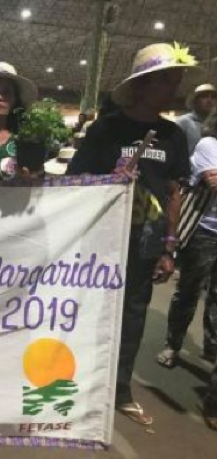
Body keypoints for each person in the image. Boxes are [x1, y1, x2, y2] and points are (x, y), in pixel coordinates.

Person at [67, 42, 201, 425]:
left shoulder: (173, 135)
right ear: (142, 84)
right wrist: (109, 179)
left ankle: (120, 388)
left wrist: (169, 246)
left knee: (133, 317)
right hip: (101, 241)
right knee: (90, 310)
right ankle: (80, 381)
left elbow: (174, 192)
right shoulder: (106, 129)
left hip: (146, 244)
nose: (174, 89)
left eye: (176, 81)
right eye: (167, 81)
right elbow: (74, 180)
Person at [156, 108, 217, 368]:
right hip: (204, 231)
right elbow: (214, 182)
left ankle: (212, 349)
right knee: (189, 291)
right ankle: (173, 344)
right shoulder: (208, 144)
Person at [177, 84, 217, 155]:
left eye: (213, 97)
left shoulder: (214, 124)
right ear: (195, 101)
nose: (209, 100)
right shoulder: (184, 122)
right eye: (204, 96)